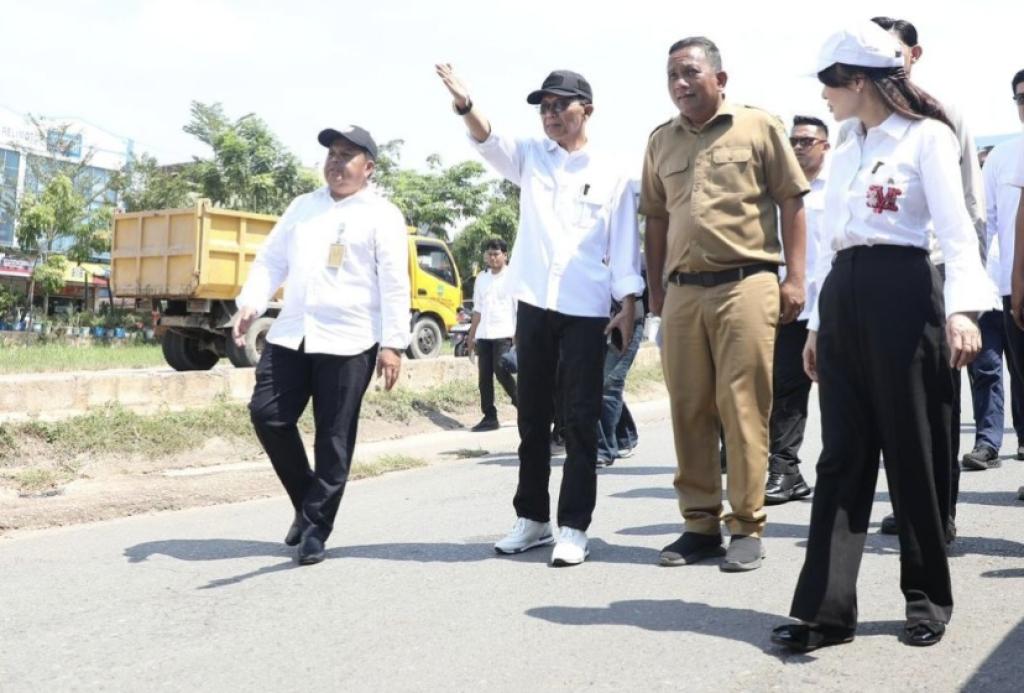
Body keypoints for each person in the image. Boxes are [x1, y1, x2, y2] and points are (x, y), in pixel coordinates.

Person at [772, 23, 990, 652]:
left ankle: (926, 598)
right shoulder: (843, 146)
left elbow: (955, 230)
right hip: (844, 298)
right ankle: (825, 611)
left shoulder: (927, 138)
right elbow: (833, 242)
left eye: (831, 84)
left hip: (905, 294)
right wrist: (817, 325)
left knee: (912, 450)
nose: (826, 96)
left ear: (860, 81)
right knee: (840, 457)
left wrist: (964, 311)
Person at [436, 64, 644, 566]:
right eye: (543, 108)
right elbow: (490, 140)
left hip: (585, 310)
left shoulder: (614, 172)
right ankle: (532, 520)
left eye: (559, 106)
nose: (549, 116)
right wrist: (467, 104)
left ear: (585, 110)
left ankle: (574, 527)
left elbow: (623, 246)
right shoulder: (531, 159)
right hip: (533, 307)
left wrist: (629, 305)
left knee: (579, 420)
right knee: (531, 419)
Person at [640, 36, 809, 572]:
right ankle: (699, 525)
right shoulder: (660, 141)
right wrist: (657, 289)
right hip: (683, 292)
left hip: (747, 283)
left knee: (742, 407)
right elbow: (656, 218)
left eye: (689, 72)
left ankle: (747, 524)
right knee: (688, 408)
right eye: (671, 76)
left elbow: (791, 201)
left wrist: (796, 278)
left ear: (720, 78)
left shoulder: (758, 127)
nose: (680, 84)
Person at [234, 125, 410, 566]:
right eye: (332, 153)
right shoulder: (302, 207)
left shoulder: (382, 214)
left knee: (333, 438)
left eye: (347, 154)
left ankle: (316, 528)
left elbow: (394, 281)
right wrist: (252, 303)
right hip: (294, 332)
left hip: (351, 339)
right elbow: (271, 260)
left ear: (368, 167)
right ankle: (307, 499)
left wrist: (393, 344)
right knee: (268, 414)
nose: (335, 161)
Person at [857, 16, 988, 538]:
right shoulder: (860, 122)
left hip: (933, 270)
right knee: (891, 399)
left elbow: (970, 204)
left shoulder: (941, 114)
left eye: (891, 50)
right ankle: (909, 500)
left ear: (915, 55)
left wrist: (965, 296)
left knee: (936, 400)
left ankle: (940, 511)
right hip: (880, 277)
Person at [765, 115, 830, 505]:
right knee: (786, 391)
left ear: (825, 145)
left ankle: (847, 471)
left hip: (837, 307)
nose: (800, 147)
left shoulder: (840, 185)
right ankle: (785, 470)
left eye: (807, 140)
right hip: (793, 304)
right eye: (794, 141)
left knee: (843, 395)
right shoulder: (777, 192)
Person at [970, 78, 1024, 470]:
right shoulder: (1004, 157)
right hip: (1009, 286)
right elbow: (983, 223)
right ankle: (991, 442)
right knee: (993, 370)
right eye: (1021, 98)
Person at [467, 236, 518, 432]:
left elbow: (518, 308)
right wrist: (471, 336)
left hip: (504, 332)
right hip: (484, 334)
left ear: (505, 255)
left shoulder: (513, 277)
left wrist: (518, 335)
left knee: (502, 371)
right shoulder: (481, 278)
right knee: (484, 376)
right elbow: (477, 310)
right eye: (489, 254)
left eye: (496, 254)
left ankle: (522, 405)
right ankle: (489, 416)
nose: (493, 258)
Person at [596, 291, 645, 466]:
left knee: (610, 383)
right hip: (595, 321)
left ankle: (603, 448)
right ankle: (625, 437)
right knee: (597, 382)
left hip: (628, 319)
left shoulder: (625, 264)